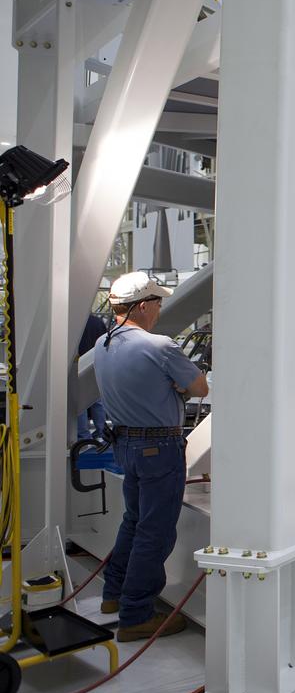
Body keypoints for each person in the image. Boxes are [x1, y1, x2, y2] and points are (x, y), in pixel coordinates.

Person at [94, 272, 208, 642]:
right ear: (143, 306)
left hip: (126, 445)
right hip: (160, 449)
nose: (160, 309)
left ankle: (113, 594)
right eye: (158, 302)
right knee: (154, 533)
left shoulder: (102, 345)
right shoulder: (158, 347)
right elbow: (199, 386)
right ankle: (136, 614)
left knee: (133, 521)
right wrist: (178, 385)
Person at [76, 313, 109, 442]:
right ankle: (101, 432)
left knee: (81, 402)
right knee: (97, 400)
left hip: (79, 365)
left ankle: (84, 435)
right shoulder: (97, 322)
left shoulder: (74, 324)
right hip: (96, 364)